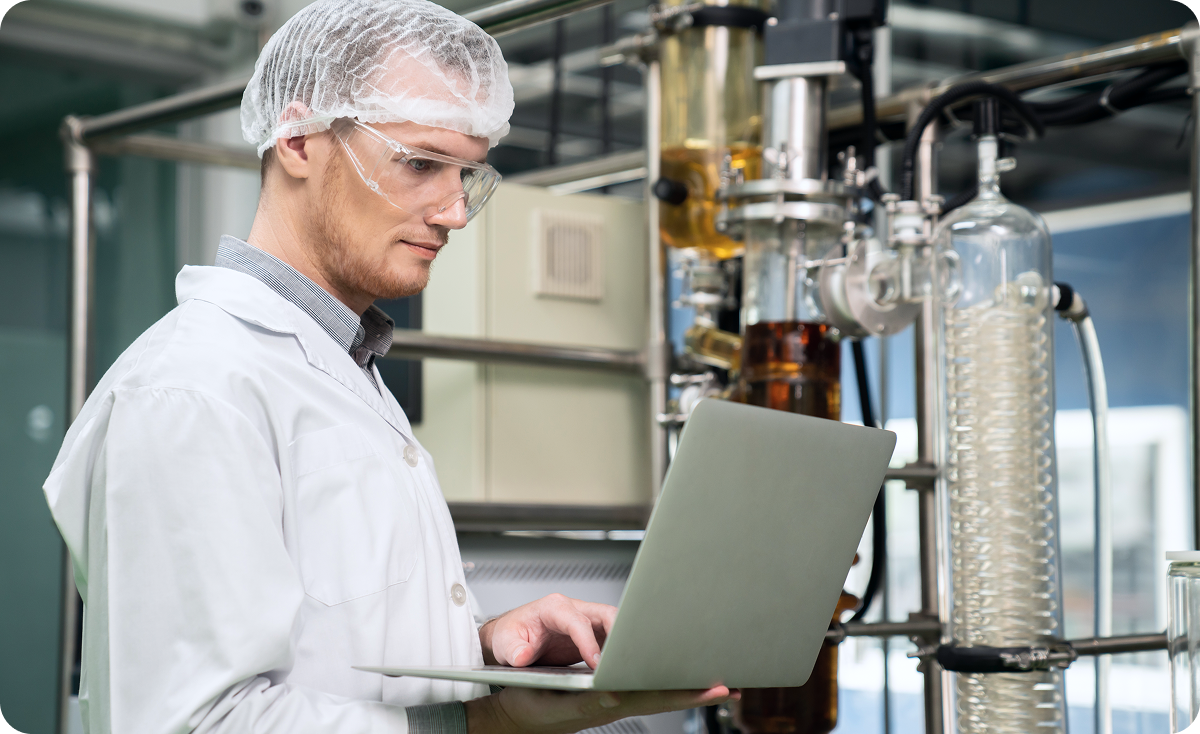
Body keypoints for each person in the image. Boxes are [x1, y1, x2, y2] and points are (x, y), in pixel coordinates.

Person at [42, 0, 735, 732]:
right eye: (420, 163)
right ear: (299, 140)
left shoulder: (342, 366)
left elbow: (328, 655)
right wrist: (480, 724)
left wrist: (485, 652)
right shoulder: (194, 390)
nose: (455, 213)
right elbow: (193, 721)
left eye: (465, 174)